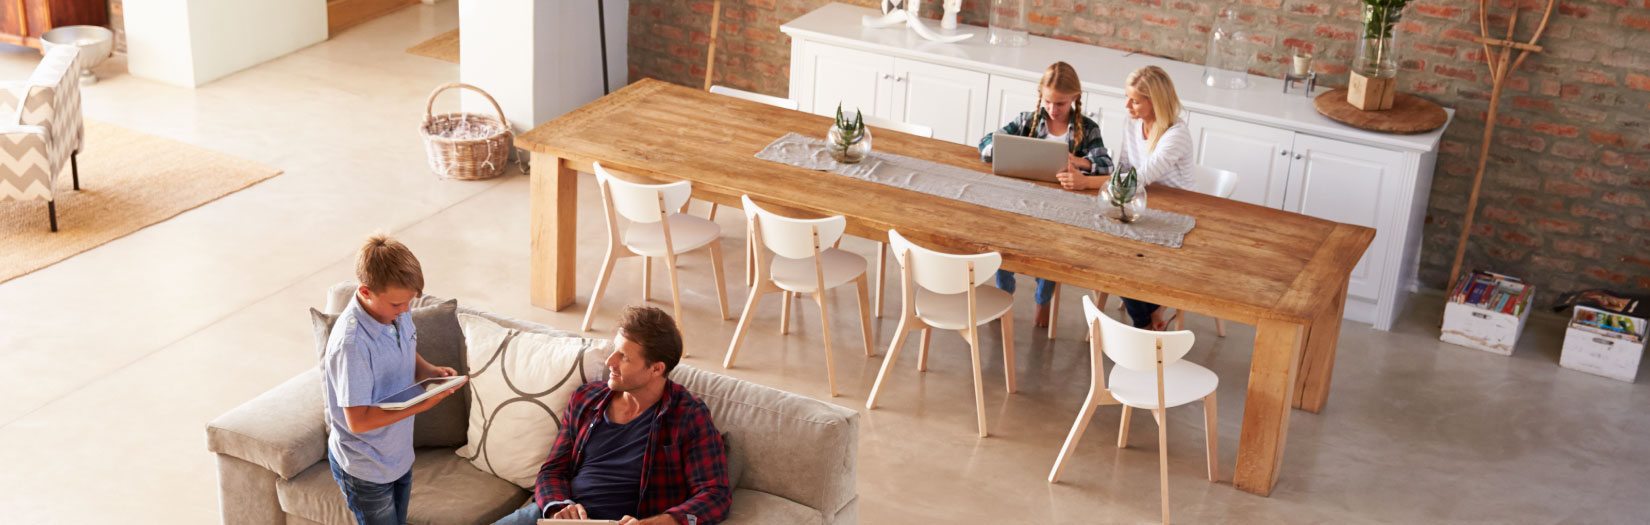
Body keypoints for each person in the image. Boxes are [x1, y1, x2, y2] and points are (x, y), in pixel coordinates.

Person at [494, 306, 731, 525]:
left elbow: (715, 496)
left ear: (656, 369)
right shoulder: (586, 399)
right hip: (561, 518)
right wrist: (559, 508)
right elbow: (553, 469)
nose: (610, 362)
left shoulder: (687, 415)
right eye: (613, 351)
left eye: (624, 357)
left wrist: (657, 523)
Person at [323, 233, 463, 525]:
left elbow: (403, 349)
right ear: (365, 292)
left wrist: (429, 371)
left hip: (398, 456)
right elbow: (358, 421)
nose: (405, 311)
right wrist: (421, 406)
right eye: (397, 304)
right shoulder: (351, 345)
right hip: (366, 469)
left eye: (409, 302)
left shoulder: (395, 313)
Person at [978, 61, 1113, 328]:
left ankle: (1043, 300)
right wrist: (1008, 150)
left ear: (1075, 98)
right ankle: (1004, 292)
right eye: (1048, 101)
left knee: (1050, 253)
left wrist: (1081, 162)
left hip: (1061, 210)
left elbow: (1107, 166)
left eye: (1060, 104)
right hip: (1020, 203)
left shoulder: (1087, 129)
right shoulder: (1027, 120)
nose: (1052, 109)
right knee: (1001, 242)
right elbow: (985, 145)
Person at [1059, 65, 1195, 329]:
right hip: (1140, 202)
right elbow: (1122, 169)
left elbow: (1139, 177)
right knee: (1109, 253)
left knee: (1117, 256)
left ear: (1155, 102)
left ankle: (1144, 323)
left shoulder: (1176, 134)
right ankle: (1152, 315)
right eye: (1127, 97)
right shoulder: (1133, 122)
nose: (1127, 106)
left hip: (1175, 210)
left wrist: (1086, 183)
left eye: (1134, 100)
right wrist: (1084, 165)